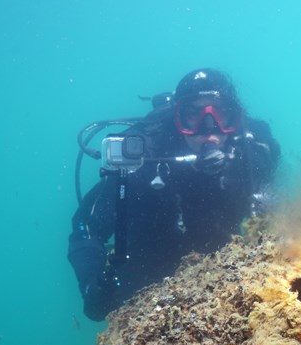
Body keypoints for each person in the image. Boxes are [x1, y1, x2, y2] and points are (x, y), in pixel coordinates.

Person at [68, 68, 280, 321]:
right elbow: (85, 225)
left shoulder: (249, 151)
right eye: (193, 114)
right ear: (176, 118)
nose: (208, 128)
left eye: (220, 112)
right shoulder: (143, 158)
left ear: (235, 117)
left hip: (230, 283)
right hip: (147, 293)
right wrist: (92, 284)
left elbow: (272, 194)